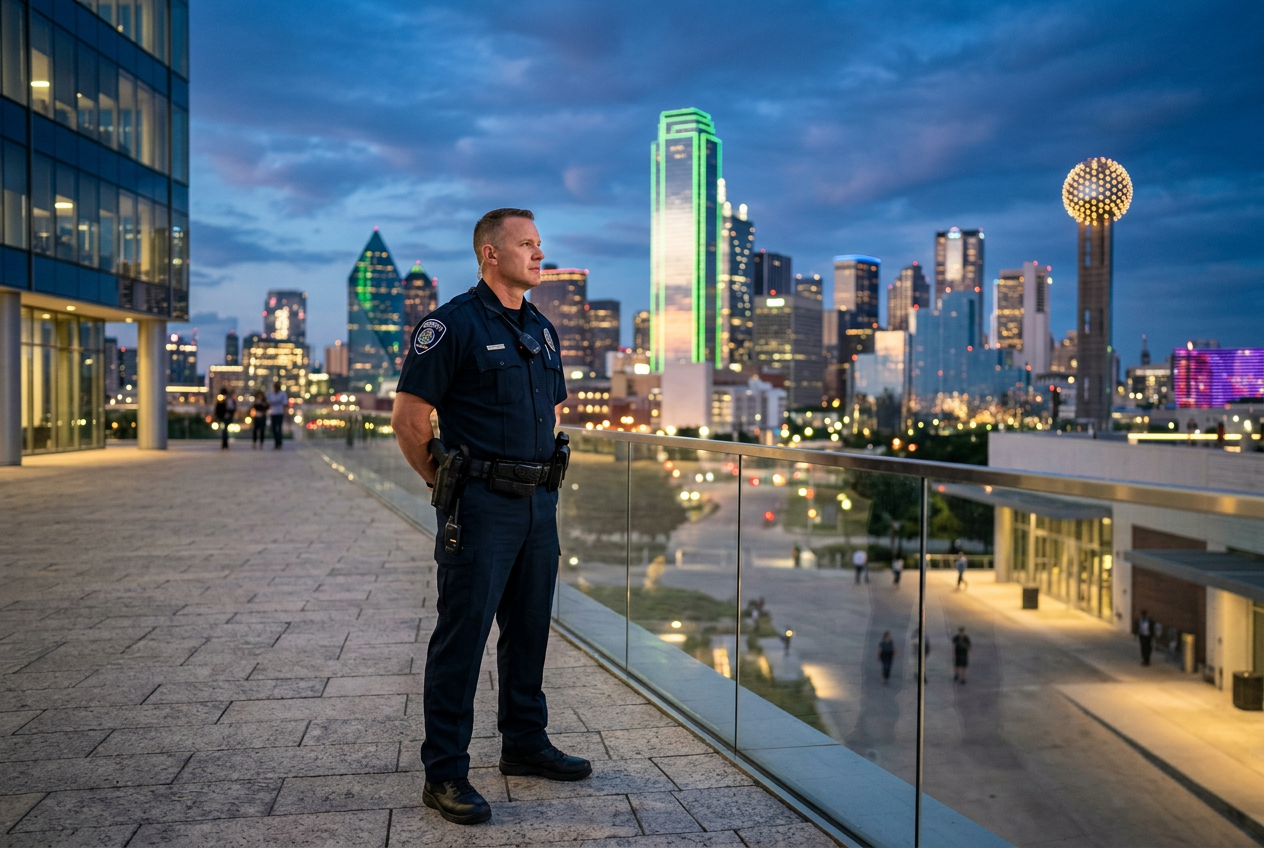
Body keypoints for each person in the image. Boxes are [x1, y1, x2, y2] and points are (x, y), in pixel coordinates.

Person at [391, 208, 588, 826]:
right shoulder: (451, 326)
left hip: (539, 503)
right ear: (489, 254)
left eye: (540, 245)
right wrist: (446, 484)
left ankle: (524, 744)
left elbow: (552, 411)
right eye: (526, 245)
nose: (539, 254)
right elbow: (410, 419)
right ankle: (444, 772)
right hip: (480, 506)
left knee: (528, 631)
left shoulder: (543, 329)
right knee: (463, 637)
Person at [265, 381, 288, 449]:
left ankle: (279, 442)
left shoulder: (283, 394)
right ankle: (276, 442)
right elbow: (268, 403)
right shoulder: (271, 394)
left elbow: (285, 404)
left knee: (279, 428)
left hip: (280, 413)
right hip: (273, 413)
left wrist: (285, 412)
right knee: (274, 428)